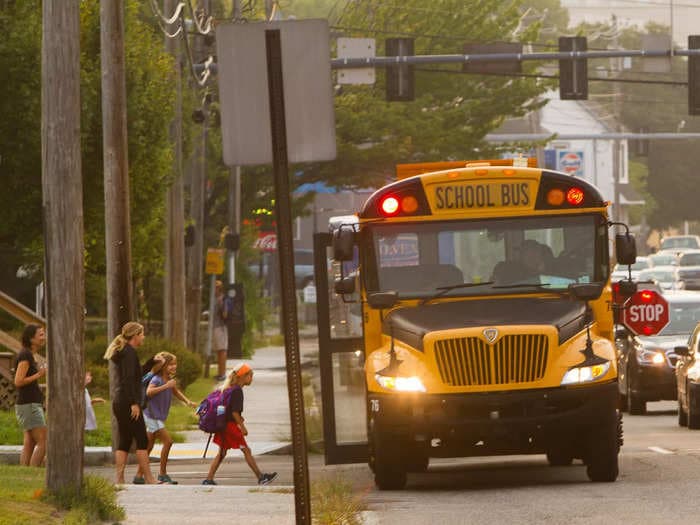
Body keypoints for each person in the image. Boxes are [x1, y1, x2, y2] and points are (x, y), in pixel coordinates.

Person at [202, 364, 277, 486]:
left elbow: (229, 410)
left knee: (222, 453)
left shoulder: (230, 388)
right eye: (250, 376)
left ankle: (208, 479)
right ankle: (261, 477)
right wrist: (242, 427)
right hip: (230, 427)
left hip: (223, 425)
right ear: (243, 376)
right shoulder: (237, 391)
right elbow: (234, 412)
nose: (252, 379)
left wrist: (237, 418)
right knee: (246, 450)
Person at [103, 321, 157, 485]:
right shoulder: (129, 353)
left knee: (125, 440)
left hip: (120, 401)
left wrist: (152, 362)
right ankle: (148, 478)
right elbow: (128, 380)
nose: (143, 337)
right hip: (127, 402)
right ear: (135, 336)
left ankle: (119, 479)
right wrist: (134, 403)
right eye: (141, 334)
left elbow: (136, 374)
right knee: (141, 439)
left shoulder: (126, 352)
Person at [134, 351, 196, 485]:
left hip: (157, 416)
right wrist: (165, 386)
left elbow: (175, 391)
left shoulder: (168, 379)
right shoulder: (157, 379)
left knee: (149, 446)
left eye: (175, 364)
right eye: (170, 364)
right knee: (168, 441)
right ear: (163, 366)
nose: (173, 367)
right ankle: (162, 474)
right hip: (151, 416)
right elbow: (149, 392)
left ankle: (139, 475)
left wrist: (187, 401)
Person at [13, 324, 47, 467]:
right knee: (44, 442)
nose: (43, 337)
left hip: (28, 404)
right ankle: (34, 470)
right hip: (29, 405)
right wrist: (39, 374)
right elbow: (18, 381)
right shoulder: (25, 355)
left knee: (30, 442)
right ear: (31, 338)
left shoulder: (29, 355)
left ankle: (25, 470)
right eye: (40, 334)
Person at [213, 280, 229, 381]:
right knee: (219, 351)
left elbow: (225, 314)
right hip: (216, 327)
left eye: (216, 287)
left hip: (221, 327)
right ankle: (220, 373)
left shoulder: (222, 299)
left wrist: (222, 309)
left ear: (219, 288)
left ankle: (223, 374)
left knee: (222, 351)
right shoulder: (215, 299)